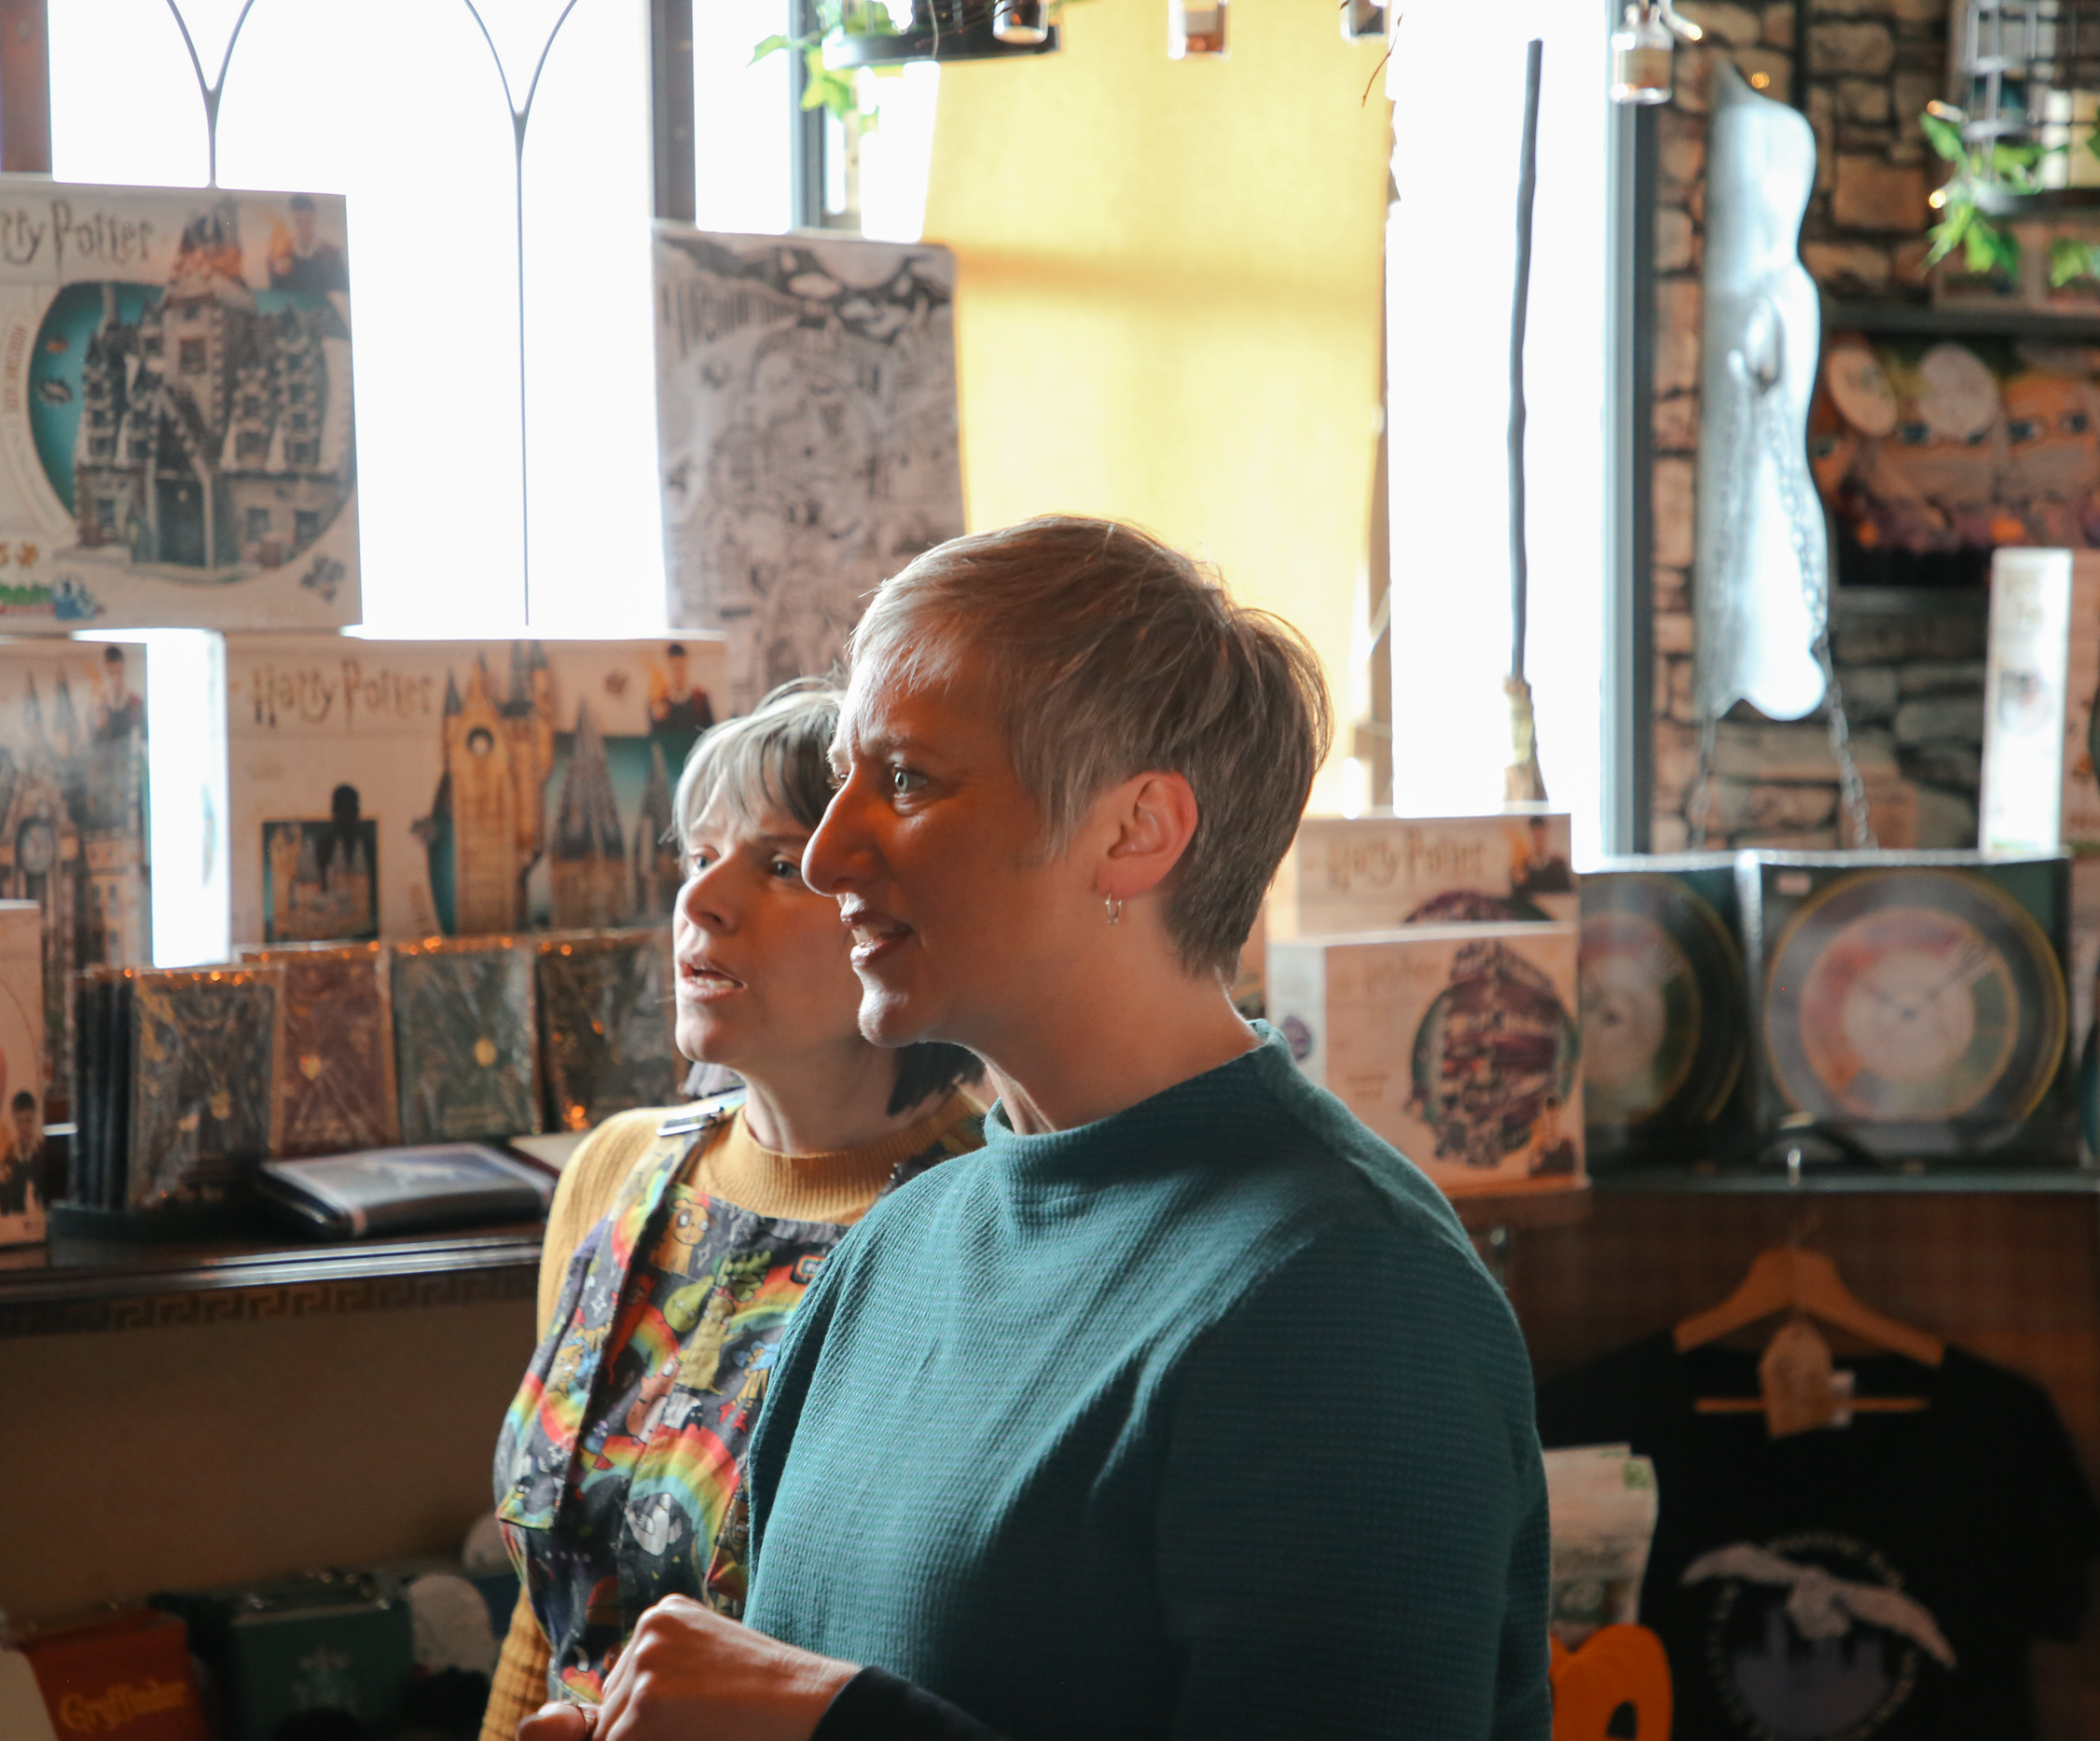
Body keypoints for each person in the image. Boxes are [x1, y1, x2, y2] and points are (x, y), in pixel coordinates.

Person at [519, 517, 1549, 1740]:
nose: (837, 845)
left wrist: (834, 1724)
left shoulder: (1349, 1297)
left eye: (905, 779)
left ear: (1135, 832)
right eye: (848, 775)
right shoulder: (892, 1252)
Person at [482, 681, 988, 1736]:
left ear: (889, 912)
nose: (701, 900)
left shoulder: (976, 1216)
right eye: (695, 855)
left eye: (773, 863)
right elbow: (549, 1619)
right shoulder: (617, 1171)